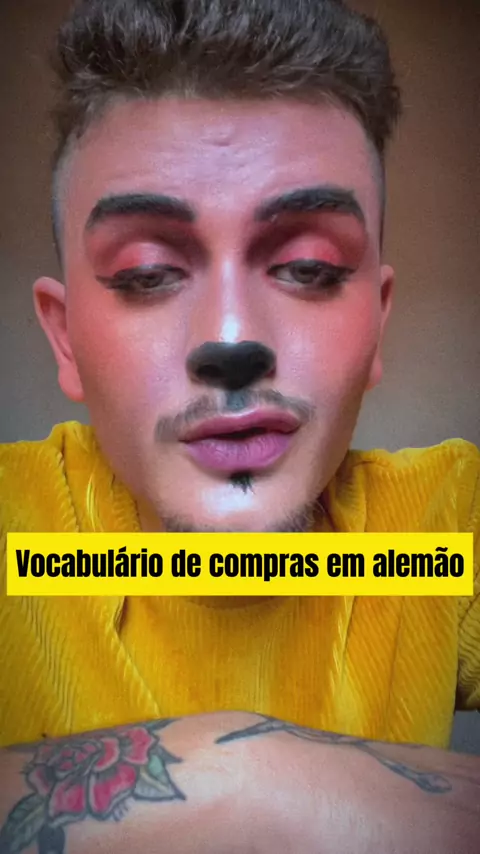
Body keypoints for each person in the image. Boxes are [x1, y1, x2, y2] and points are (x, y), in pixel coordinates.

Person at [0, 0, 479, 851]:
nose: (230, 340)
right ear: (65, 338)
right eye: (147, 274)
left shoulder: (446, 530)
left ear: (378, 321)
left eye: (308, 267)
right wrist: (251, 782)